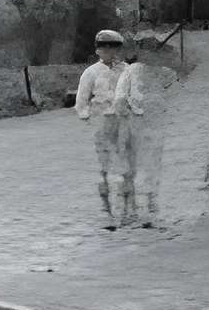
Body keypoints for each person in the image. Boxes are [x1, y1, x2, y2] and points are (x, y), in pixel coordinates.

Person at [113, 32, 175, 227]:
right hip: (134, 126)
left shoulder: (164, 73)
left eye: (154, 50)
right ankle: (127, 210)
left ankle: (150, 208)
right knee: (130, 169)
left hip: (153, 127)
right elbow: (120, 100)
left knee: (151, 168)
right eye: (147, 50)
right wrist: (128, 115)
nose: (151, 55)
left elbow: (170, 90)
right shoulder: (130, 71)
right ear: (140, 52)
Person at [75, 28, 132, 228]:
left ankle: (126, 211)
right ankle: (107, 211)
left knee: (126, 166)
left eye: (113, 47)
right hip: (102, 124)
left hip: (124, 122)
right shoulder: (91, 73)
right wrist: (87, 116)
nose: (108, 51)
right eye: (104, 47)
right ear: (98, 50)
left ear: (118, 49)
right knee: (104, 168)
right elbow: (81, 101)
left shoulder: (127, 70)